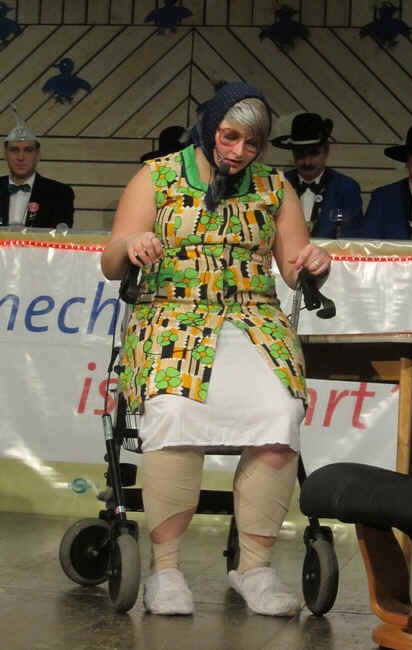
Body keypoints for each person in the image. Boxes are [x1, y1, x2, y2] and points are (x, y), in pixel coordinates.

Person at [101, 82, 330, 617]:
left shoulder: (274, 186)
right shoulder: (158, 176)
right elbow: (111, 259)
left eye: (252, 143)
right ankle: (166, 570)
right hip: (171, 316)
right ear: (209, 128)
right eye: (230, 137)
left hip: (252, 319)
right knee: (175, 410)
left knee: (280, 413)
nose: (239, 151)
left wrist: (314, 263)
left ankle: (253, 568)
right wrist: (131, 246)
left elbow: (294, 265)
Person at [272, 112, 363, 238]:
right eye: (300, 154)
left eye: (314, 154)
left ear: (326, 151)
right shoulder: (277, 184)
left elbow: (353, 238)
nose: (307, 162)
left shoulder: (346, 188)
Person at [0, 107, 74, 228]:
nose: (20, 157)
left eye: (28, 150)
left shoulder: (60, 193)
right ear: (5, 155)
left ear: (38, 155)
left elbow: (62, 236)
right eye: (14, 150)